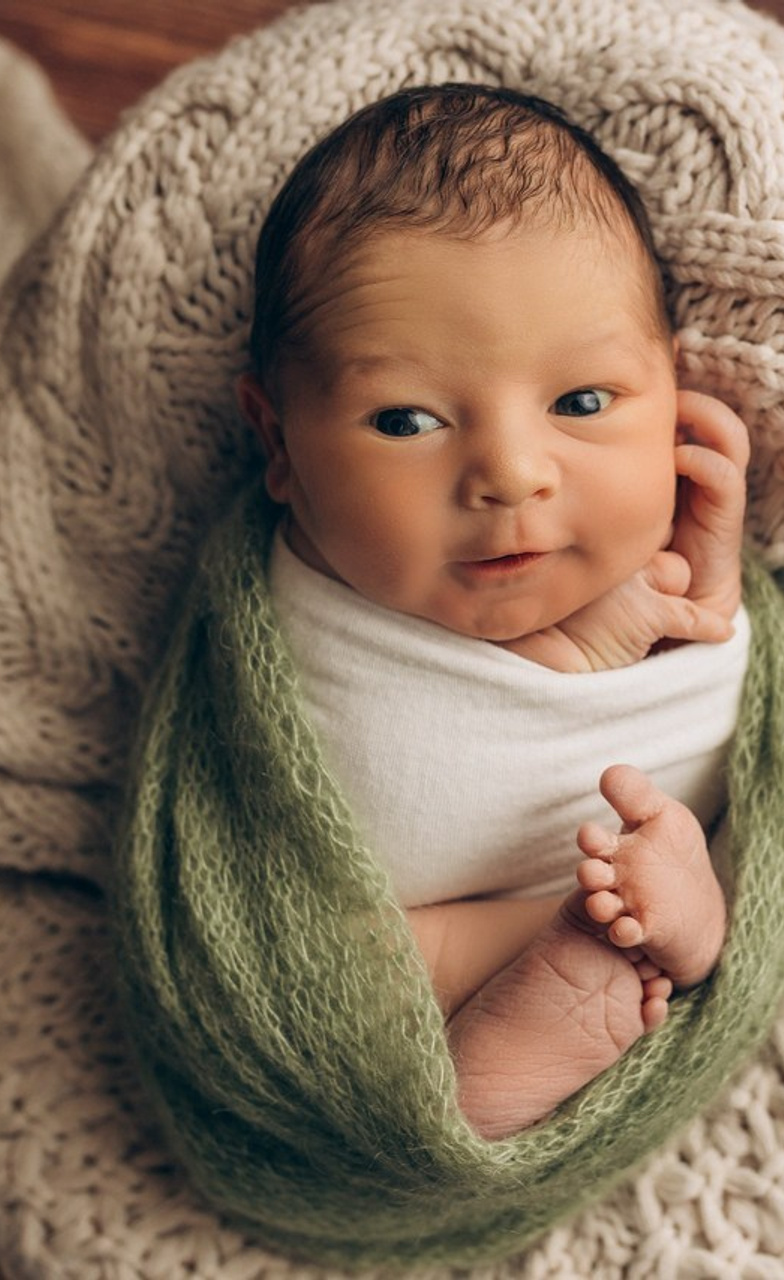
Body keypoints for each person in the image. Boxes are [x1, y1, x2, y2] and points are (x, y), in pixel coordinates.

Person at [234, 83, 753, 1140]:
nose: (512, 473)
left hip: (613, 839)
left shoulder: (641, 534)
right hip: (379, 895)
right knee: (311, 957)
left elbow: (716, 672)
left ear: (674, 390)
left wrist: (710, 572)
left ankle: (655, 934)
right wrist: (599, 636)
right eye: (407, 418)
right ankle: (585, 974)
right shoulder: (284, 577)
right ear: (277, 443)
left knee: (672, 802)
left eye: (580, 402)